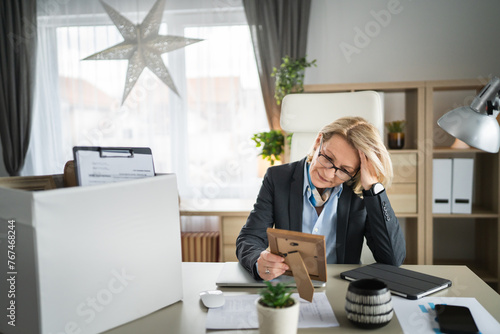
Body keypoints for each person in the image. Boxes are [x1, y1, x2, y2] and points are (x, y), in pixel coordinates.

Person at [236, 116, 406, 280]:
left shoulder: (360, 196)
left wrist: (373, 188)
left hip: (341, 288)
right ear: (318, 142)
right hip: (290, 284)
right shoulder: (278, 178)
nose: (328, 173)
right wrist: (259, 261)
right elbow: (250, 238)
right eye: (328, 158)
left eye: (344, 170)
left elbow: (392, 259)